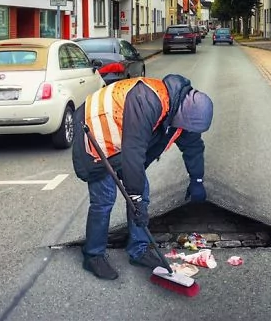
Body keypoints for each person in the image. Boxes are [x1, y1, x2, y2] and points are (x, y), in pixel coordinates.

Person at [72, 74, 214, 281]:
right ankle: (93, 254)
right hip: (97, 136)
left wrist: (197, 181)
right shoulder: (147, 99)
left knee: (141, 195)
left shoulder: (183, 114)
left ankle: (138, 250)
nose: (188, 132)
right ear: (182, 114)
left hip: (124, 143)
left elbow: (193, 148)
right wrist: (135, 198)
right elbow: (134, 152)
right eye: (189, 128)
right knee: (105, 199)